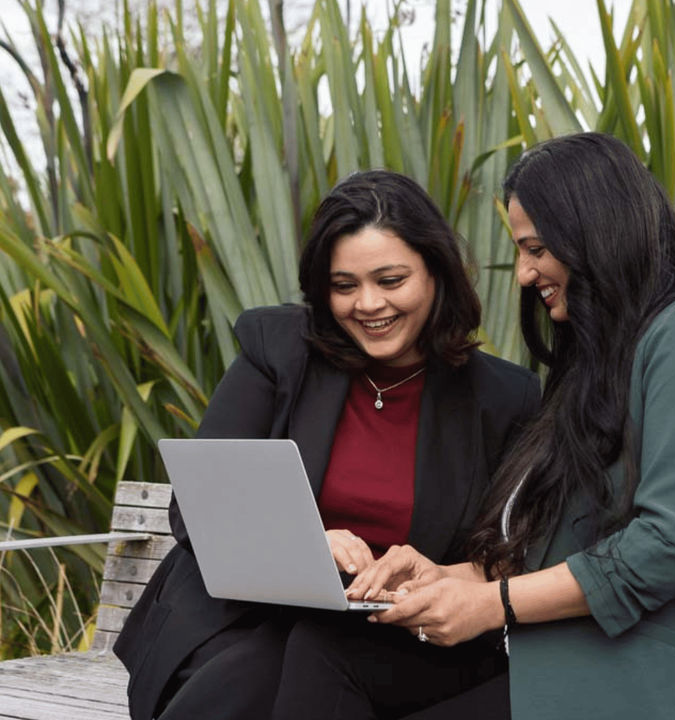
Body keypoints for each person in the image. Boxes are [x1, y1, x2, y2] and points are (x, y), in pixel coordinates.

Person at [288, 132, 675, 719]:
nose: (523, 272)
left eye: (536, 248)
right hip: (560, 663)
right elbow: (568, 540)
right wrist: (452, 576)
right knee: (326, 649)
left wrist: (493, 604)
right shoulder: (597, 365)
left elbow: (667, 549)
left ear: (595, 236)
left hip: (648, 686)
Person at [113, 169, 542, 720]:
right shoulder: (279, 350)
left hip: (392, 641)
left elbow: (510, 553)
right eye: (345, 286)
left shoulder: (502, 397)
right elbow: (199, 508)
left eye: (391, 280)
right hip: (246, 618)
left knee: (305, 664)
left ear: (436, 273)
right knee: (262, 671)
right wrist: (307, 539)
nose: (368, 304)